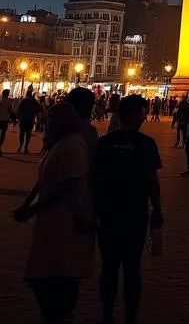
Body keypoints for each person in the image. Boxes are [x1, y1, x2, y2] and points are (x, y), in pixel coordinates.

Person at [13, 102, 96, 323]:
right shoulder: (58, 144)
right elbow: (43, 179)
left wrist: (32, 208)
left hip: (66, 220)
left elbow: (69, 185)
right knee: (45, 274)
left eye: (51, 118)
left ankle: (60, 315)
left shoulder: (72, 145)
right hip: (51, 221)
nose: (47, 122)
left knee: (57, 277)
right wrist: (28, 204)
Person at [93, 95, 162, 324]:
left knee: (109, 267)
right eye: (144, 111)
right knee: (132, 268)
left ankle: (106, 314)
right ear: (135, 114)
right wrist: (158, 210)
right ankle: (130, 316)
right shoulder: (146, 143)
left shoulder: (104, 143)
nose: (145, 116)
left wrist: (93, 210)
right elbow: (152, 180)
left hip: (108, 214)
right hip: (135, 214)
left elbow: (93, 179)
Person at [17, 88, 40, 154]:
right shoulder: (33, 101)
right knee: (28, 134)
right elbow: (38, 109)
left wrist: (18, 116)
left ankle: (21, 146)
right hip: (30, 119)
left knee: (22, 133)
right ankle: (25, 147)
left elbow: (19, 109)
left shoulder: (24, 101)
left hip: (24, 119)